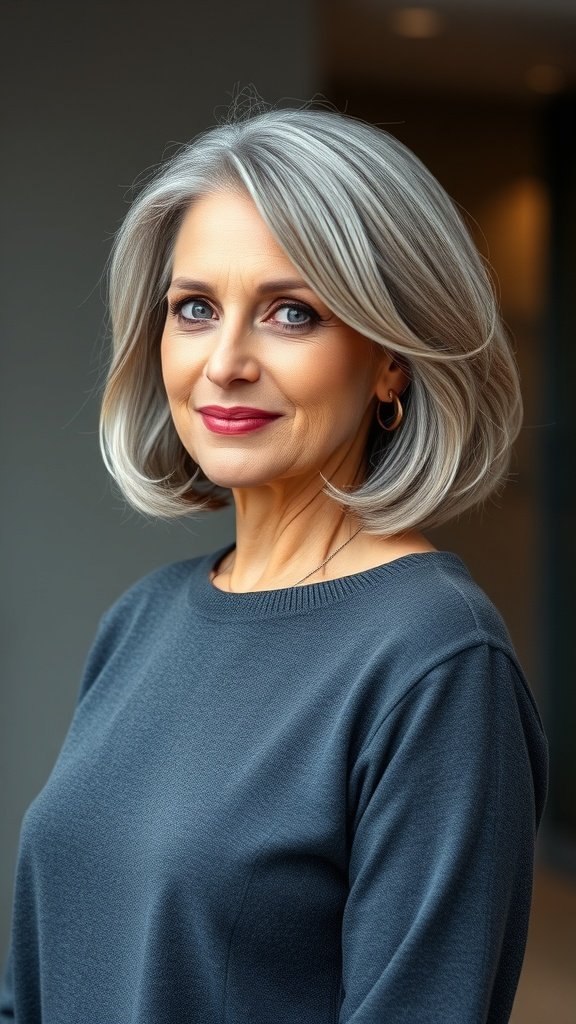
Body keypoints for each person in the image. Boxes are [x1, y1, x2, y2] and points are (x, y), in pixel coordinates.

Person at [0, 101, 548, 1023]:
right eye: (195, 309)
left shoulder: (437, 659)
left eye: (292, 313)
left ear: (391, 361)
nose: (224, 361)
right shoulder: (144, 618)